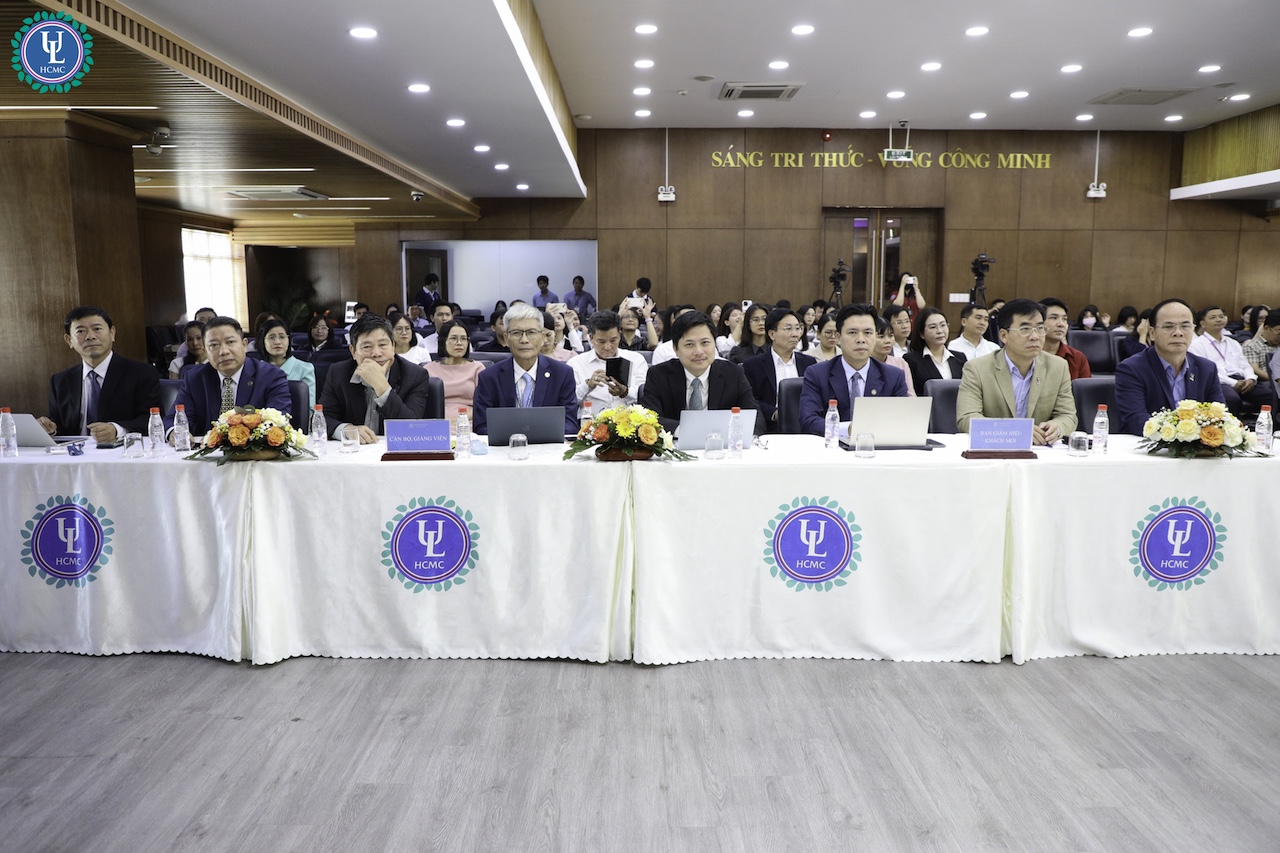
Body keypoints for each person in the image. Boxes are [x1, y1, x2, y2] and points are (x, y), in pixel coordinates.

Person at [956, 298, 1077, 443]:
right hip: (996, 448)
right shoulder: (977, 368)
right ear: (1004, 335)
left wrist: (1056, 428)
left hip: (1040, 449)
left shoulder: (1058, 367)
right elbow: (967, 418)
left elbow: (1068, 416)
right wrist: (1017, 431)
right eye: (1025, 329)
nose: (1035, 336)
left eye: (1040, 328)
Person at [40, 306, 162, 441]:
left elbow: (152, 419)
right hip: (75, 451)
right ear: (69, 340)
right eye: (80, 331)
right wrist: (49, 428)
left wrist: (116, 430)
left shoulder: (142, 373)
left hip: (121, 449)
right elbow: (59, 426)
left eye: (97, 329)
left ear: (112, 333)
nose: (90, 336)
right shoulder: (60, 381)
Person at [640, 311, 764, 435]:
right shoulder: (658, 375)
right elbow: (649, 419)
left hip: (721, 444)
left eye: (705, 343)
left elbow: (756, 418)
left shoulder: (733, 373)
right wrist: (688, 432)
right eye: (689, 344)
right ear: (675, 349)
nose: (699, 352)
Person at [1114, 298, 1226, 435]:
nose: (1178, 332)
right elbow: (1135, 420)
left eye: (1185, 326)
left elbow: (1219, 416)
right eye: (1168, 327)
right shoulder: (1132, 369)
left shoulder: (1207, 368)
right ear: (1152, 333)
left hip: (1195, 446)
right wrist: (1182, 434)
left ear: (1193, 330)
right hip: (1147, 445)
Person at [317, 313, 434, 443]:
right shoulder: (338, 372)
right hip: (354, 450)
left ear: (393, 347)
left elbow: (412, 428)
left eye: (383, 345)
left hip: (395, 450)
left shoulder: (415, 375)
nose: (376, 353)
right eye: (367, 347)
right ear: (353, 351)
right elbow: (322, 418)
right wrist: (346, 430)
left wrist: (381, 386)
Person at [798, 304, 909, 436]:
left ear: (875, 337)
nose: (861, 340)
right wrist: (849, 429)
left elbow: (903, 421)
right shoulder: (817, 374)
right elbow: (809, 421)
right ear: (838, 337)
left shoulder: (894, 376)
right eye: (852, 333)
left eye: (868, 333)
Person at [170, 316, 292, 437]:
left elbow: (276, 422)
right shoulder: (195, 378)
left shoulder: (270, 376)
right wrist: (175, 433)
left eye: (230, 342)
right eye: (214, 345)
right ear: (205, 351)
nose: (223, 351)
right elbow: (174, 419)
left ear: (244, 345)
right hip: (207, 447)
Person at [472, 302, 578, 435]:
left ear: (542, 337)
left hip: (547, 446)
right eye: (516, 333)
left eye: (531, 332)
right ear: (506, 338)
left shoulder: (562, 374)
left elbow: (570, 424)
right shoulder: (488, 378)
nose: (524, 340)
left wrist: (534, 436)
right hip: (505, 446)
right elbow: (481, 426)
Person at [1188, 304, 1273, 415]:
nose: (1219, 319)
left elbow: (1245, 365)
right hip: (1219, 382)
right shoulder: (1196, 345)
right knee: (1231, 399)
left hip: (1242, 380)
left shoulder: (1233, 342)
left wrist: (1250, 378)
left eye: (1221, 316)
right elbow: (1206, 372)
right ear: (1202, 324)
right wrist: (1234, 383)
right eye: (1213, 317)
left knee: (1270, 395)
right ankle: (1234, 426)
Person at [743, 309, 817, 433]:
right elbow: (750, 400)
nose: (795, 334)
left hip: (805, 427)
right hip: (770, 427)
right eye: (788, 329)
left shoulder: (809, 363)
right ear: (772, 334)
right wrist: (775, 413)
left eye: (798, 328)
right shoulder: (753, 365)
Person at [569, 310, 649, 412]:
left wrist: (626, 392)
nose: (607, 347)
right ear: (591, 338)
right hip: (591, 419)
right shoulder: (576, 364)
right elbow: (569, 401)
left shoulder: (636, 360)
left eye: (613, 341)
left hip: (629, 419)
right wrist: (587, 385)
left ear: (620, 335)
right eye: (601, 342)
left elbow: (647, 396)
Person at [424, 320, 486, 430]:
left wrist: (458, 420)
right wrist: (443, 421)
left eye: (463, 339)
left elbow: (483, 405)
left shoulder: (477, 369)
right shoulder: (428, 370)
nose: (459, 343)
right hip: (436, 424)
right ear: (443, 341)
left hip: (469, 423)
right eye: (453, 338)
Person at [903, 307, 966, 397]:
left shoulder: (960, 358)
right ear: (921, 333)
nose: (940, 331)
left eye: (943, 325)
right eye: (933, 327)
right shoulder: (911, 360)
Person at [258, 318, 317, 408]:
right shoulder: (256, 370)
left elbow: (309, 408)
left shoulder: (305, 368)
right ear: (263, 341)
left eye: (282, 337)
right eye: (272, 337)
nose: (277, 342)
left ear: (288, 340)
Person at [1039, 298, 1091, 379]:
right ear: (1039, 323)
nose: (1061, 324)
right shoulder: (1027, 356)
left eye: (1064, 319)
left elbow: (1085, 386)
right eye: (1054, 318)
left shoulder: (1077, 358)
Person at [871, 316, 916, 396]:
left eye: (891, 335)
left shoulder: (900, 363)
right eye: (881, 337)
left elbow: (910, 396)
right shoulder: (863, 364)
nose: (887, 341)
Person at [1242, 311, 1280, 382]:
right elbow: (1255, 369)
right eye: (1279, 332)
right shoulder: (1251, 346)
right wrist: (1276, 380)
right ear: (1266, 328)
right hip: (1266, 382)